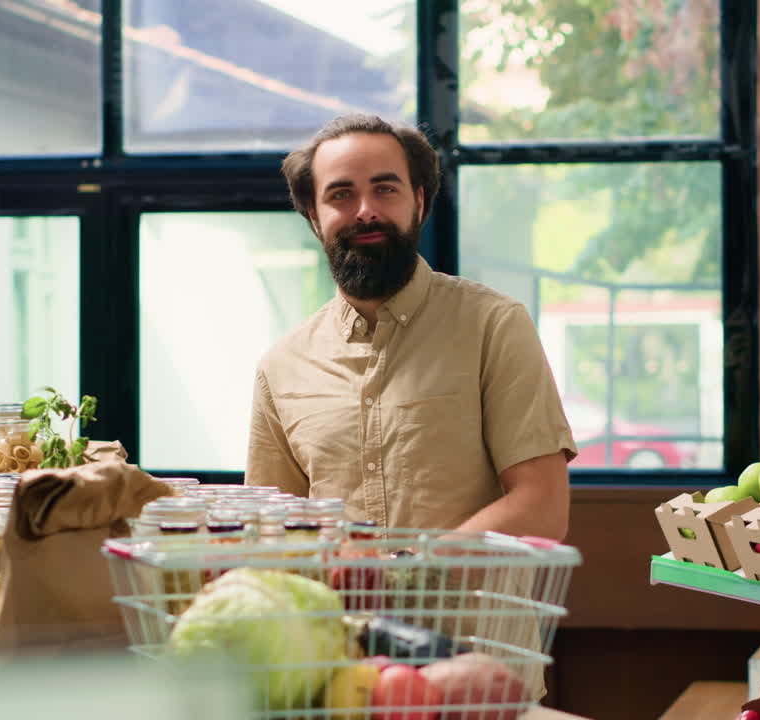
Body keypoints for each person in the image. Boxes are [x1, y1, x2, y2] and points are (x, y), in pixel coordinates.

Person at [245, 114, 576, 539]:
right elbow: (272, 530)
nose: (365, 211)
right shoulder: (281, 366)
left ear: (419, 201)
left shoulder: (494, 327)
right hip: (337, 608)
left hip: (469, 606)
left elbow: (542, 508)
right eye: (341, 195)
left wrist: (410, 574)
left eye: (385, 189)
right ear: (313, 215)